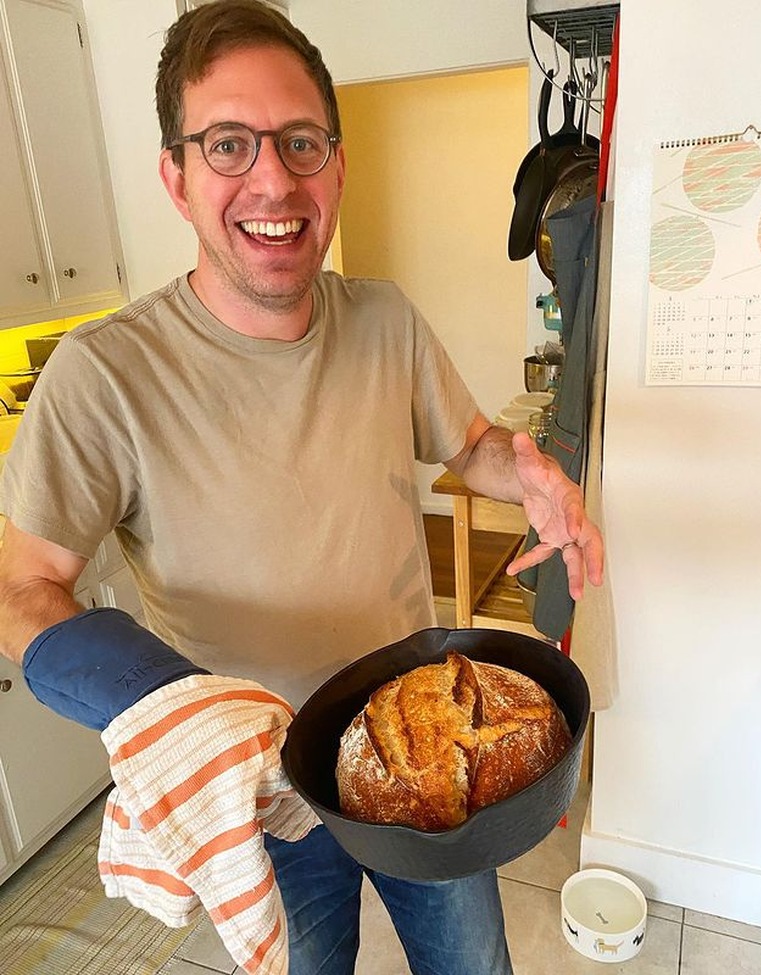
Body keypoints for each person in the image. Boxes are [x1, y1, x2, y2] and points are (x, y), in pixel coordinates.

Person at [0, 2, 603, 974]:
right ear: (177, 175)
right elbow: (21, 586)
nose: (273, 177)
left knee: (473, 965)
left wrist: (525, 467)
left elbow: (473, 443)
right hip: (264, 795)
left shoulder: (384, 321)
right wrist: (158, 702)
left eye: (301, 141)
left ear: (337, 162)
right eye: (228, 143)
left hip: (424, 746)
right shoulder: (101, 374)